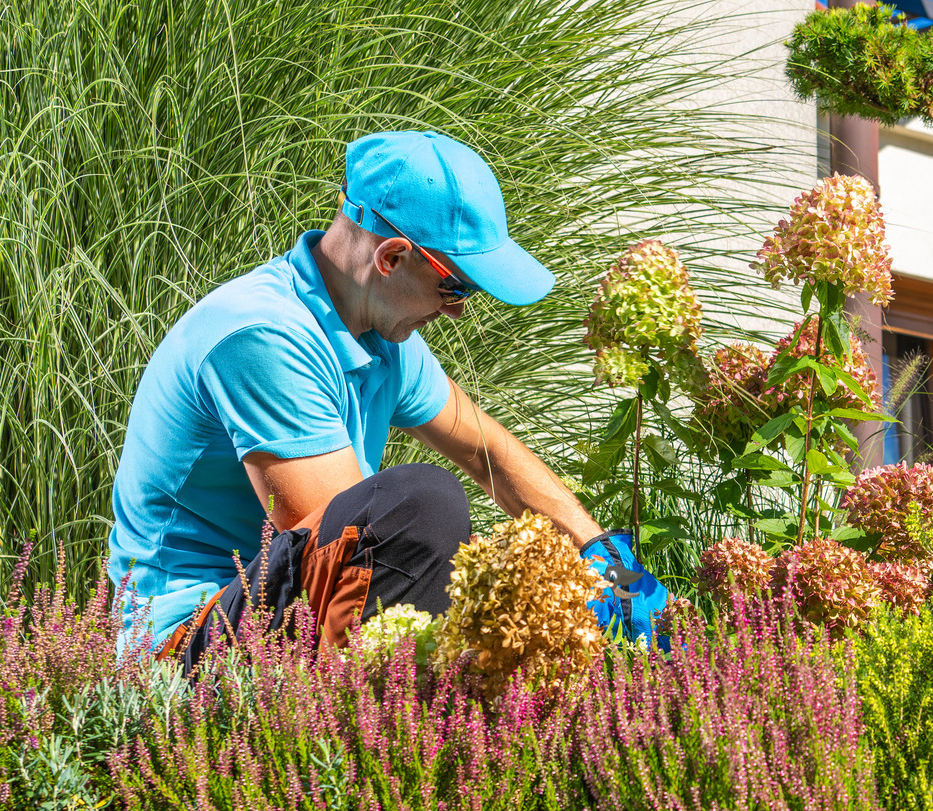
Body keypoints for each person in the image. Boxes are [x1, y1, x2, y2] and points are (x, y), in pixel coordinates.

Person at [108, 129, 666, 664]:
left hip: (274, 609)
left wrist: (607, 564)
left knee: (427, 518)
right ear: (392, 257)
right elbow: (352, 546)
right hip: (183, 645)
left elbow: (487, 451)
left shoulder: (379, 333)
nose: (458, 308)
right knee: (420, 505)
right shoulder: (260, 338)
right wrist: (523, 601)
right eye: (455, 284)